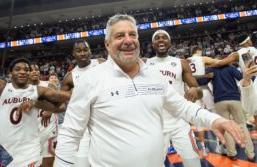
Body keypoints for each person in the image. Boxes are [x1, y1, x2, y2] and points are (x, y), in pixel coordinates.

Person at [55, 14, 245, 167]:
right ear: (107, 44)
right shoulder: (90, 79)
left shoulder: (154, 75)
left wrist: (215, 119)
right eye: (120, 36)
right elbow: (70, 134)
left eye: (133, 35)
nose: (128, 41)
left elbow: (182, 107)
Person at [0, 13, 70, 167]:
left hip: (31, 154)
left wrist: (37, 104)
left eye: (26, 69)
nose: (22, 71)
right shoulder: (1, 88)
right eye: (18, 69)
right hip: (4, 155)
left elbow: (61, 104)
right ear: (10, 73)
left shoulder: (37, 90)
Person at [145, 30, 202, 166]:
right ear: (153, 44)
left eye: (164, 38)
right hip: (155, 124)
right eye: (157, 38)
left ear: (169, 42)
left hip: (179, 121)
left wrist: (195, 89)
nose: (161, 40)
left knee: (193, 162)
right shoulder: (144, 63)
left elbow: (199, 91)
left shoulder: (180, 63)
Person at [59, 39, 105, 167]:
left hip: (106, 121)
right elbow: (60, 103)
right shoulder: (70, 77)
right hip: (84, 126)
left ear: (90, 51)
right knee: (82, 163)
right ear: (73, 54)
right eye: (79, 51)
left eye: (85, 50)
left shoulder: (101, 63)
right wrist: (47, 109)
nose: (83, 53)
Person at [198, 64, 255, 161]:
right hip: (234, 98)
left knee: (226, 127)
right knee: (242, 125)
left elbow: (201, 82)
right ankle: (250, 154)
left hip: (220, 101)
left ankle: (232, 153)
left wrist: (202, 74)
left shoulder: (212, 69)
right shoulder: (230, 67)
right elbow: (242, 77)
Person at [29, 63, 63, 167]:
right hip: (30, 129)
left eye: (37, 69)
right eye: (31, 70)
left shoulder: (48, 85)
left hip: (49, 128)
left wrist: (51, 110)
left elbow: (62, 106)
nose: (35, 71)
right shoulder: (22, 89)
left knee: (49, 158)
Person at [187, 46, 219, 156]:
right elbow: (217, 62)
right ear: (198, 51)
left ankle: (203, 148)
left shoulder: (186, 61)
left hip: (192, 90)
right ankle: (219, 145)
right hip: (203, 88)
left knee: (197, 119)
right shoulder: (202, 58)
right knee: (214, 114)